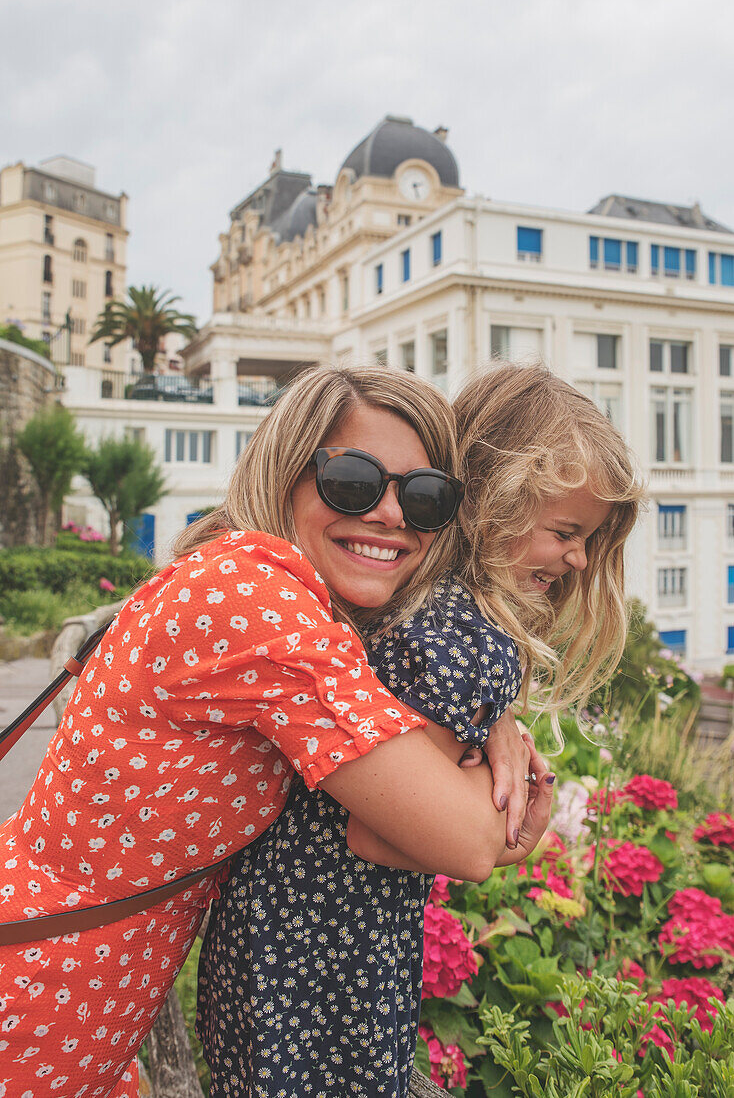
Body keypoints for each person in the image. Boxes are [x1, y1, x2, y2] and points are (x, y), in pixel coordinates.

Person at [0, 364, 531, 1098]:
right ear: (284, 473)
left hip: (72, 1006)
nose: (390, 515)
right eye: (352, 481)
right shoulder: (255, 609)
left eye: (425, 496)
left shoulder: (243, 573)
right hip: (35, 1010)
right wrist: (520, 789)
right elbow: (469, 838)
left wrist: (494, 713)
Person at [196, 363, 643, 1097]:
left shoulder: (410, 606)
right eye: (566, 532)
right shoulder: (463, 633)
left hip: (267, 934)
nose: (578, 560)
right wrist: (512, 831)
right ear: (493, 505)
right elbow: (382, 834)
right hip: (328, 954)